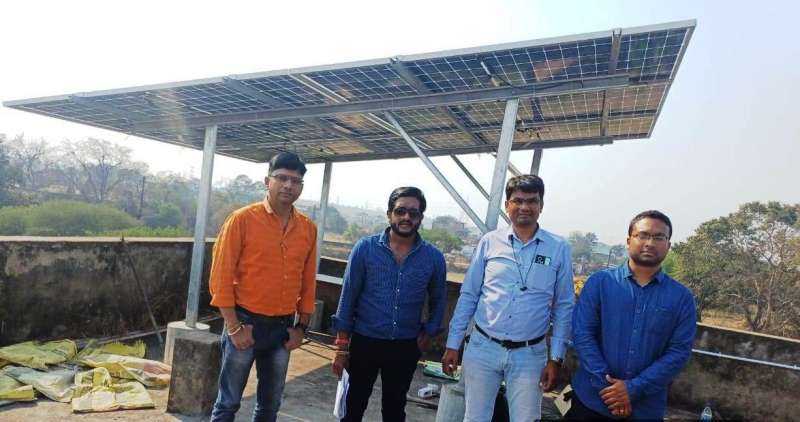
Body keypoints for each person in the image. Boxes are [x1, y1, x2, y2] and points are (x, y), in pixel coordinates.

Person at [442, 174, 575, 422]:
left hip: (530, 354)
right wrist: (453, 343)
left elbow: (564, 306)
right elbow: (469, 295)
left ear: (541, 205)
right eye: (518, 200)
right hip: (483, 347)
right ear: (507, 205)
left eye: (532, 201)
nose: (525, 207)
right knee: (475, 418)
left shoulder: (558, 248)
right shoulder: (489, 242)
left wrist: (555, 358)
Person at [208, 152, 317, 422]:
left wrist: (301, 328)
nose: (289, 185)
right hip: (245, 323)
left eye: (296, 181)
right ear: (267, 181)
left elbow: (307, 281)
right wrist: (234, 327)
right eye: (282, 178)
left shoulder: (307, 229)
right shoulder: (242, 220)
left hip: (282, 329)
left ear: (301, 187)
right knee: (228, 403)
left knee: (270, 405)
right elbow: (221, 276)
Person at [331, 186, 447, 422]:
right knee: (353, 406)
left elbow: (439, 299)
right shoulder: (365, 249)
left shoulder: (433, 258)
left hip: (405, 345)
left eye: (413, 213)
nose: (406, 217)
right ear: (389, 214)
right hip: (365, 342)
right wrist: (341, 348)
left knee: (394, 409)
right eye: (400, 211)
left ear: (420, 218)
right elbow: (348, 297)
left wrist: (429, 333)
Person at [567, 210, 697, 420]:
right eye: (643, 235)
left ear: (668, 245)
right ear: (629, 241)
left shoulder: (682, 298)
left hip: (645, 408)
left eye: (659, 237)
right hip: (592, 401)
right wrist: (610, 390)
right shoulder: (599, 283)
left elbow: (678, 352)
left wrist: (633, 389)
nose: (650, 243)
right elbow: (582, 334)